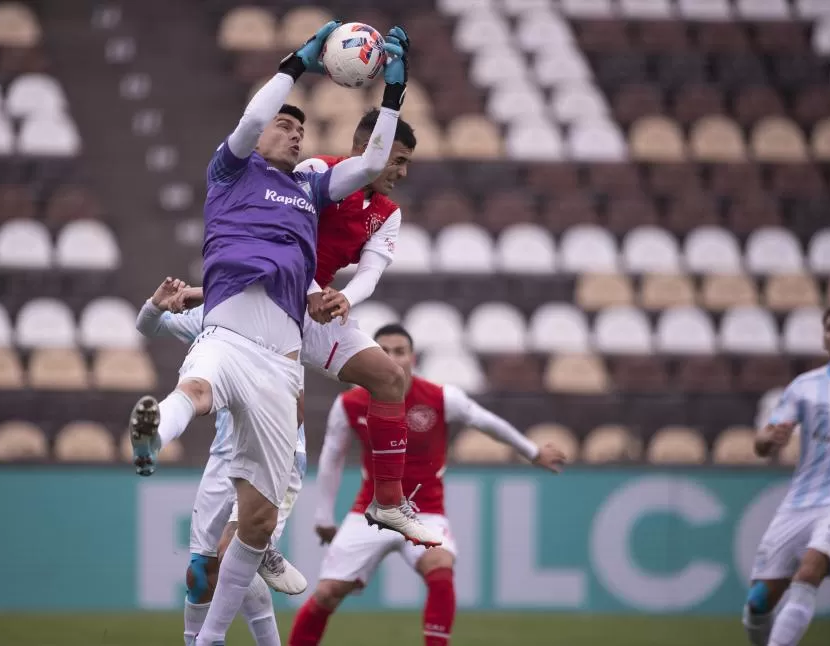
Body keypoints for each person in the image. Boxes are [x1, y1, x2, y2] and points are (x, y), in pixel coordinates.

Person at [127, 22, 429, 646]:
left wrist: (395, 87)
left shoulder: (311, 186)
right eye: (283, 126)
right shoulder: (231, 171)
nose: (294, 130)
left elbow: (373, 162)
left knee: (261, 519)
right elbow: (253, 117)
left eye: (300, 127)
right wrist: (298, 63)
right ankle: (156, 432)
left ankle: (218, 627)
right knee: (197, 386)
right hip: (230, 327)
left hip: (281, 357)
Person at [288, 324, 568, 646]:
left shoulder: (440, 397)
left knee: (440, 569)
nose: (392, 358)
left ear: (413, 357)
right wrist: (323, 515)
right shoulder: (350, 404)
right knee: (327, 593)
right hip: (372, 512)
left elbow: (486, 421)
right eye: (384, 351)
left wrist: (532, 453)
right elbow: (332, 459)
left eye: (399, 351)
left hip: (425, 513)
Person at [135, 277, 304, 646]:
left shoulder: (288, 315)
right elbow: (147, 327)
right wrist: (156, 303)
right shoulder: (214, 319)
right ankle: (155, 436)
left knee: (233, 553)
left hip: (275, 449)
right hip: (225, 454)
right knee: (201, 574)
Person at [743, 306, 830, 646]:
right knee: (758, 604)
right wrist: (769, 439)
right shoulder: (805, 387)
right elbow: (762, 444)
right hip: (800, 503)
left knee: (809, 571)